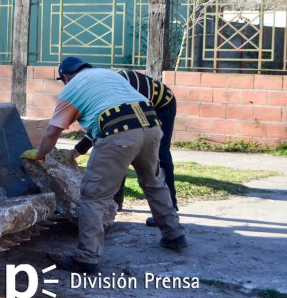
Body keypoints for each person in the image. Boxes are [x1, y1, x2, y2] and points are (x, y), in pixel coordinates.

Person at [22, 56, 186, 274]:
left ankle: (86, 258)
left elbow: (53, 130)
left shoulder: (70, 89)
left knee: (94, 194)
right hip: (151, 124)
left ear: (66, 76)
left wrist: (41, 154)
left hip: (119, 132)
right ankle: (174, 234)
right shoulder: (109, 75)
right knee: (153, 182)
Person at [73, 69, 178, 226]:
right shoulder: (103, 91)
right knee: (121, 148)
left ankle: (169, 208)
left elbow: (123, 125)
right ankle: (116, 202)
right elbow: (102, 126)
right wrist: (78, 150)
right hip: (138, 109)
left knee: (159, 154)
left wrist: (79, 149)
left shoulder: (121, 87)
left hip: (161, 105)